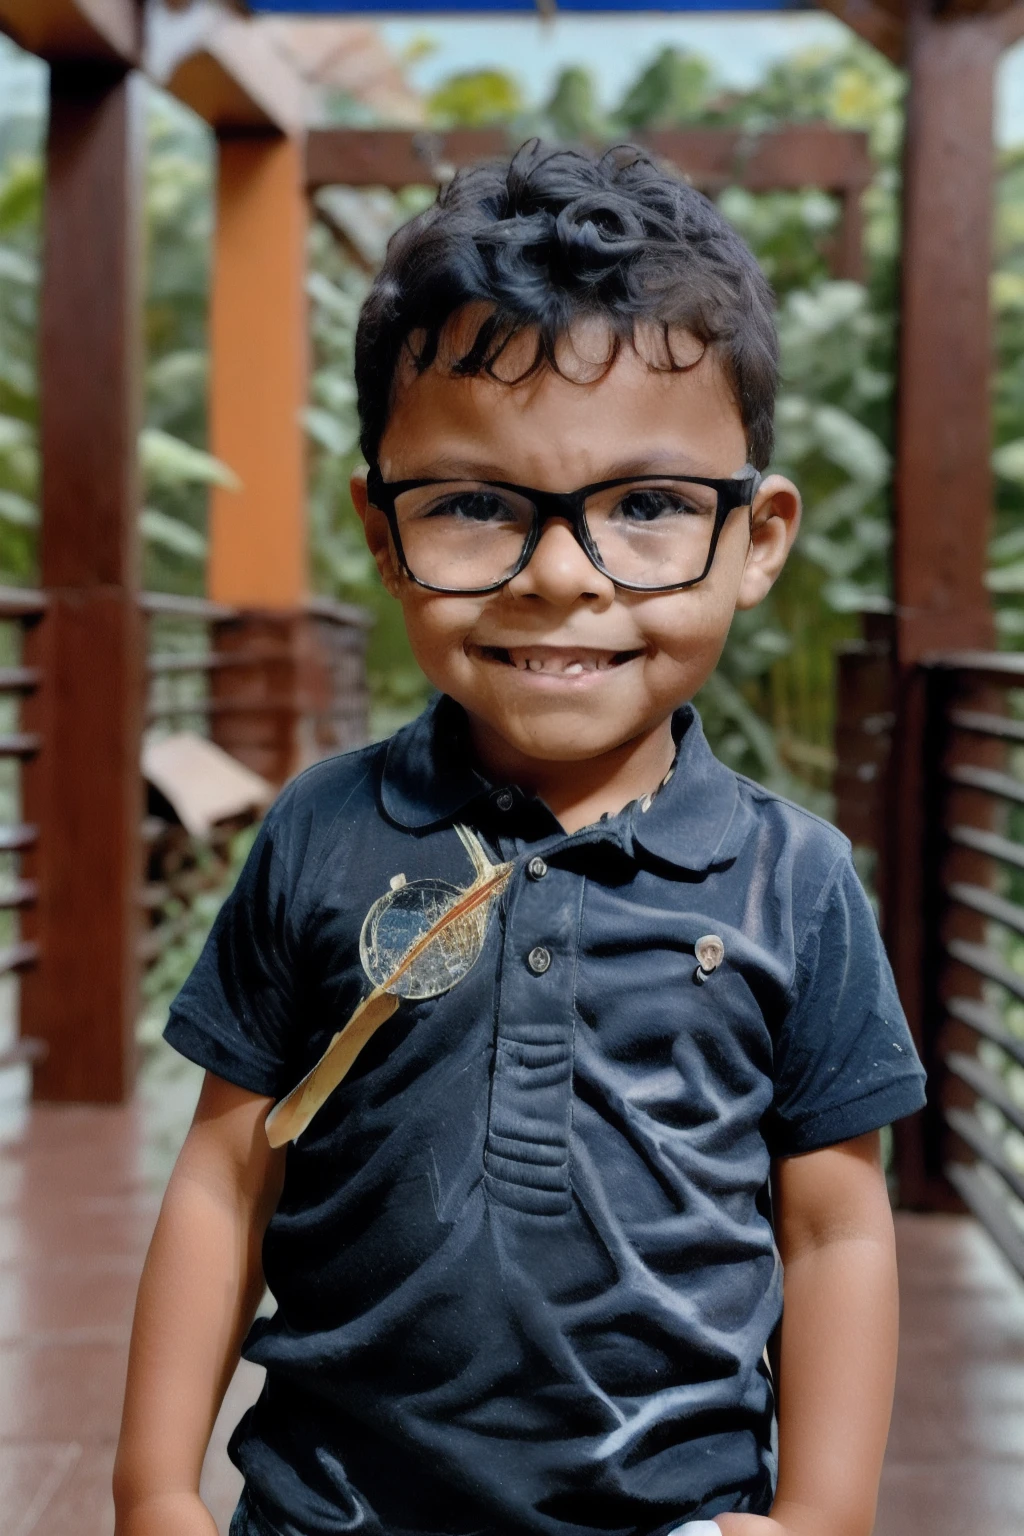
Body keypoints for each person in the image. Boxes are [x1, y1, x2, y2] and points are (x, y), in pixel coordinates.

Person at [113, 141, 926, 1536]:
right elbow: (226, 1173)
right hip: (332, 1511)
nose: (561, 576)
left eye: (650, 507)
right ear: (380, 526)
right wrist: (150, 1491)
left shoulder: (795, 882)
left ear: (758, 535)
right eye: (479, 505)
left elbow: (834, 1227)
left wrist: (828, 1513)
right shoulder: (323, 830)